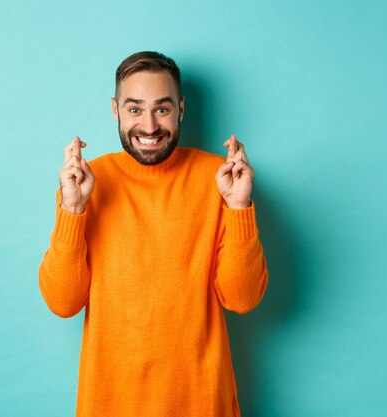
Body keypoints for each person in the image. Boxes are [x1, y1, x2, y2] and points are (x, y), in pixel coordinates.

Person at [38, 51, 268, 417]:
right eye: (134, 110)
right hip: (111, 405)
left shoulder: (220, 179)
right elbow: (63, 303)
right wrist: (73, 209)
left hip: (203, 404)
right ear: (115, 111)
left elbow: (242, 299)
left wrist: (238, 206)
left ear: (180, 108)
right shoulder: (87, 184)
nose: (148, 126)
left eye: (161, 109)